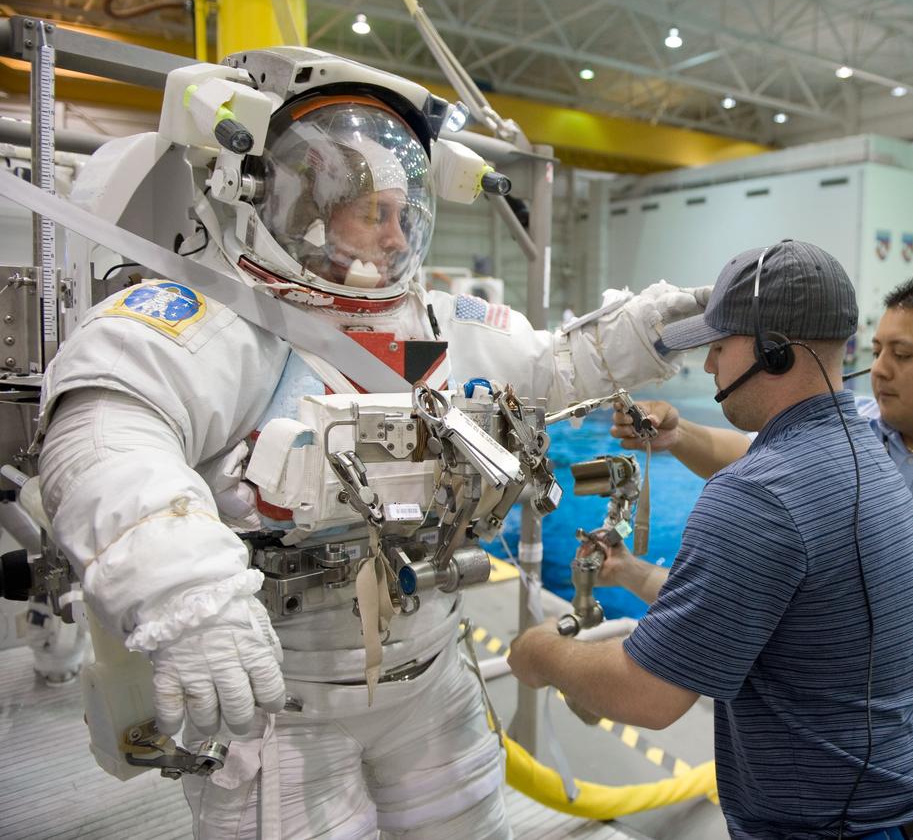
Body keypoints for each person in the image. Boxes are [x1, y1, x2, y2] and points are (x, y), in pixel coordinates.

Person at [35, 48, 708, 840]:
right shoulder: (213, 320)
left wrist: (669, 323)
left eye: (402, 214)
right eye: (370, 212)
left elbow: (551, 367)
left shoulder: (431, 327)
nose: (393, 237)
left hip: (430, 672)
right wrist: (191, 596)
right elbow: (106, 434)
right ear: (289, 200)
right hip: (285, 695)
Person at [508, 241, 913, 839]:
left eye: (720, 344)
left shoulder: (757, 496)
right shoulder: (867, 451)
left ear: (773, 352)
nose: (710, 364)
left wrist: (541, 654)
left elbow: (649, 697)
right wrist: (639, 561)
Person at [614, 275, 913, 800]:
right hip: (824, 702)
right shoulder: (854, 428)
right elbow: (749, 456)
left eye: (904, 355)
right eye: (878, 349)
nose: (881, 369)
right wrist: (677, 436)